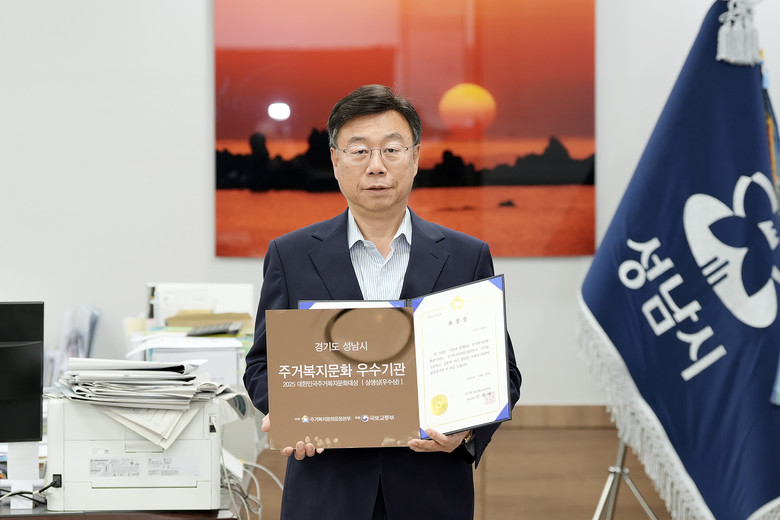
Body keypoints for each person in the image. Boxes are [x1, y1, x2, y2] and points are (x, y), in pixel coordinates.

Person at [243, 84, 522, 519]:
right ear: (335, 161)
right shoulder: (290, 255)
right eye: (359, 151)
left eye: (392, 149)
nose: (376, 166)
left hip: (431, 493)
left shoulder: (466, 256)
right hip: (326, 492)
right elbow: (261, 364)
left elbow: (501, 372)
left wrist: (467, 430)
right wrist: (288, 411)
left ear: (415, 158)